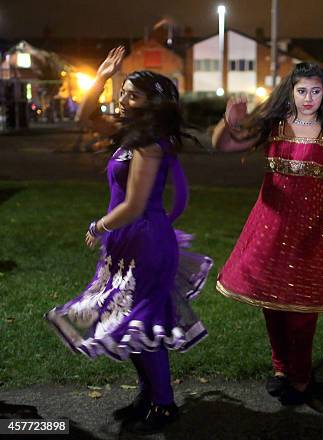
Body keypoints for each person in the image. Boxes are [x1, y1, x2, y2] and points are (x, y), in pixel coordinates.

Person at [45, 47, 212, 433]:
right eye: (124, 91)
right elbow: (83, 116)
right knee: (129, 322)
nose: (123, 98)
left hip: (145, 242)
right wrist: (102, 76)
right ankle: (148, 395)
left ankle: (165, 405)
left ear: (153, 105)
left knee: (142, 324)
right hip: (128, 244)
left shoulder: (149, 144)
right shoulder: (131, 133)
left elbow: (135, 205)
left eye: (132, 95)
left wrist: (98, 226)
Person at [211, 62, 323, 405]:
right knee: (271, 303)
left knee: (302, 310)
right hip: (269, 227)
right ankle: (281, 369)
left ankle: (301, 377)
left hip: (309, 233)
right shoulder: (274, 124)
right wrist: (229, 120)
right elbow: (224, 145)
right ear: (291, 90)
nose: (308, 98)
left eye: (316, 91)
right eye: (302, 90)